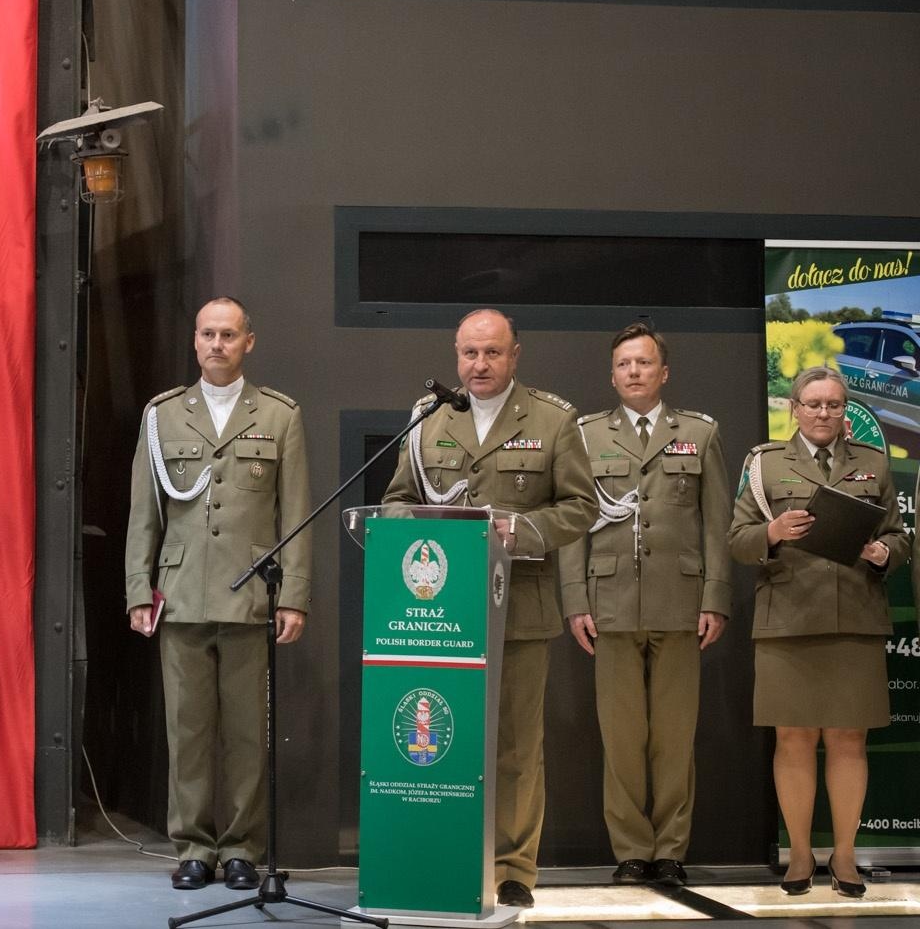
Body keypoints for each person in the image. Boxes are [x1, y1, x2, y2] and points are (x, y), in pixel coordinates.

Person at [379, 308, 594, 908]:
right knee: (444, 735)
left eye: (493, 353)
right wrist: (421, 531)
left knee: (517, 747)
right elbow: (396, 501)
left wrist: (517, 532)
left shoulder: (553, 420)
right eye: (470, 353)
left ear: (515, 354)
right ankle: (443, 849)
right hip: (439, 614)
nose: (480, 364)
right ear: (456, 354)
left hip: (517, 608)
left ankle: (514, 868)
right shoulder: (428, 419)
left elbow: (580, 508)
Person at [123, 297, 312, 892]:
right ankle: (194, 847)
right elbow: (144, 515)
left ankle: (240, 847)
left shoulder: (279, 415)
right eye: (207, 334)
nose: (217, 345)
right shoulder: (163, 416)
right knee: (188, 731)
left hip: (249, 596)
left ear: (248, 342)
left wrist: (294, 595)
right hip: (179, 596)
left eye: (228, 335)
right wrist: (137, 590)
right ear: (194, 341)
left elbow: (296, 515)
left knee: (245, 736)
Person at [557, 323, 730, 886]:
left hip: (680, 602)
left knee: (675, 737)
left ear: (664, 372)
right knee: (623, 737)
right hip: (609, 604)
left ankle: (671, 850)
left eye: (645, 363)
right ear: (612, 375)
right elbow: (572, 522)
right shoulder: (585, 435)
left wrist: (716, 597)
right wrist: (575, 599)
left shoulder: (700, 435)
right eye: (625, 364)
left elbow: (716, 524)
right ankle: (631, 850)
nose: (634, 372)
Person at [727, 365, 907, 899]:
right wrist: (773, 532)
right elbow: (736, 539)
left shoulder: (874, 465)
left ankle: (845, 856)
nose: (823, 413)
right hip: (788, 620)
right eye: (813, 404)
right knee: (794, 738)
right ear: (794, 409)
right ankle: (800, 854)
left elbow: (898, 535)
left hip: (854, 615)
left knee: (849, 739)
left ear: (844, 411)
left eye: (833, 404)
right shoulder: (764, 465)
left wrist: (883, 553)